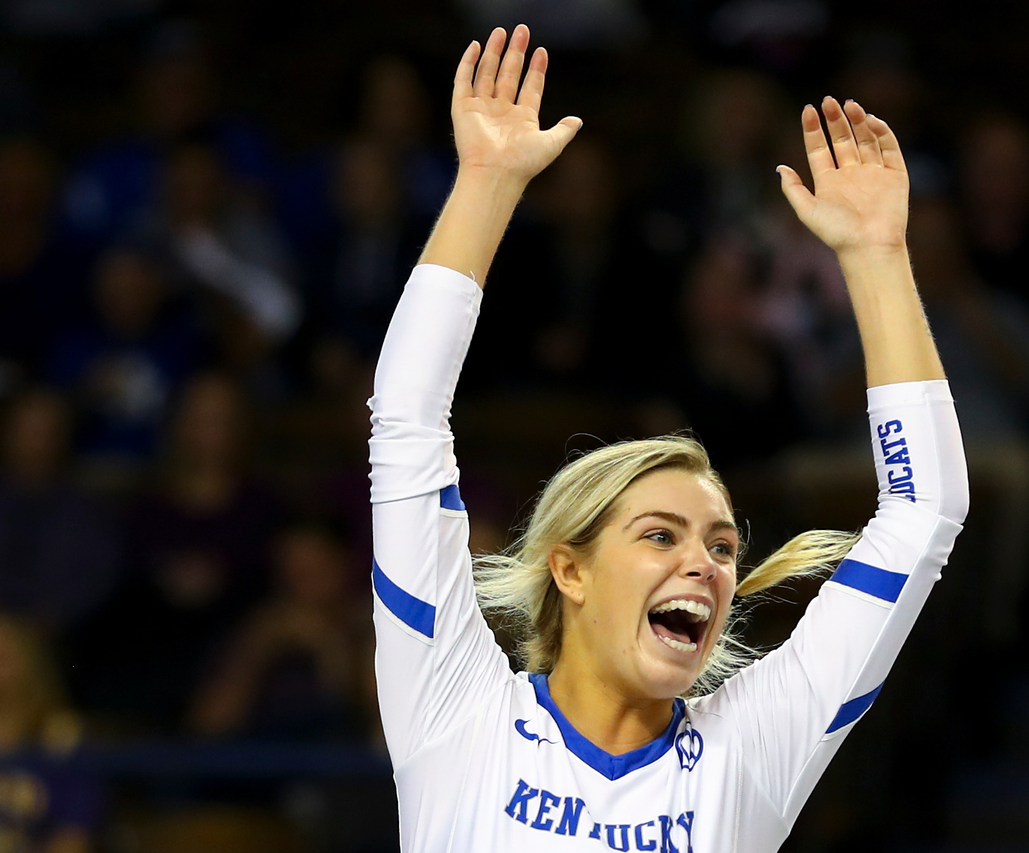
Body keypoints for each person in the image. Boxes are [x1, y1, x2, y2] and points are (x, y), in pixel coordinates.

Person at [368, 25, 968, 852]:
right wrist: (487, 183)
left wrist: (875, 256)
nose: (707, 564)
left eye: (722, 546)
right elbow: (405, 414)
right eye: (660, 534)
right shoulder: (454, 706)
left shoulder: (752, 746)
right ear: (569, 568)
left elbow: (925, 509)